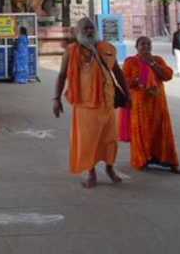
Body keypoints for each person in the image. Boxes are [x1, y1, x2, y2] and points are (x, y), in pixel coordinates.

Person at [53, 17, 132, 188]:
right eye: (85, 28)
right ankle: (91, 173)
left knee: (110, 139)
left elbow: (118, 72)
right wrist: (56, 99)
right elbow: (61, 76)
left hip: (106, 104)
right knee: (88, 141)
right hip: (84, 105)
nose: (89, 31)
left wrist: (128, 93)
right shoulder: (71, 51)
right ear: (77, 31)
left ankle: (110, 169)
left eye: (91, 28)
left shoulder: (107, 49)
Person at [123, 36, 180, 173]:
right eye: (142, 44)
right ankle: (142, 160)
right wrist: (140, 80)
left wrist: (152, 63)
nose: (146, 46)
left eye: (148, 44)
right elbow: (125, 80)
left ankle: (169, 161)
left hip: (158, 103)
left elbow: (167, 76)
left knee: (162, 131)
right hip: (139, 105)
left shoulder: (158, 59)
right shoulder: (130, 62)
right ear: (136, 47)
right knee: (141, 132)